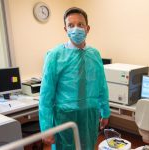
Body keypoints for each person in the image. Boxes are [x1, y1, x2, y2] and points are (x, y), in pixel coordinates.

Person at [39, 7, 111, 150]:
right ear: (65, 29)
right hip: (65, 117)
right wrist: (46, 127)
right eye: (71, 25)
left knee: (88, 146)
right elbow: (46, 95)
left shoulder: (94, 54)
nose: (76, 29)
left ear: (87, 28)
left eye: (80, 24)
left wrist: (105, 111)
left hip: (90, 116)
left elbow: (101, 85)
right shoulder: (55, 56)